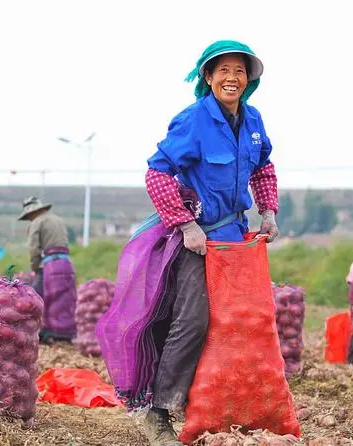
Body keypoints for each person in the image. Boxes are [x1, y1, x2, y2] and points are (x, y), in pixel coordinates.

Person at [135, 40, 279, 446]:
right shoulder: (193, 120)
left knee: (235, 323)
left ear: (249, 79)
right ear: (208, 77)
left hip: (236, 240)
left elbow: (264, 167)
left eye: (240, 71)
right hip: (198, 239)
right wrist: (184, 224)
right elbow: (157, 174)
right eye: (223, 71)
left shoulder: (253, 121)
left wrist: (268, 211)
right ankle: (158, 412)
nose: (232, 78)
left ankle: (215, 407)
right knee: (193, 320)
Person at [18, 196, 77, 344]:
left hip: (51, 264)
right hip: (66, 263)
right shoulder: (57, 219)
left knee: (40, 297)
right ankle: (66, 333)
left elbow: (33, 249)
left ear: (32, 213)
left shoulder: (37, 222)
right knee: (65, 298)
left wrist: (35, 268)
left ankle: (47, 332)